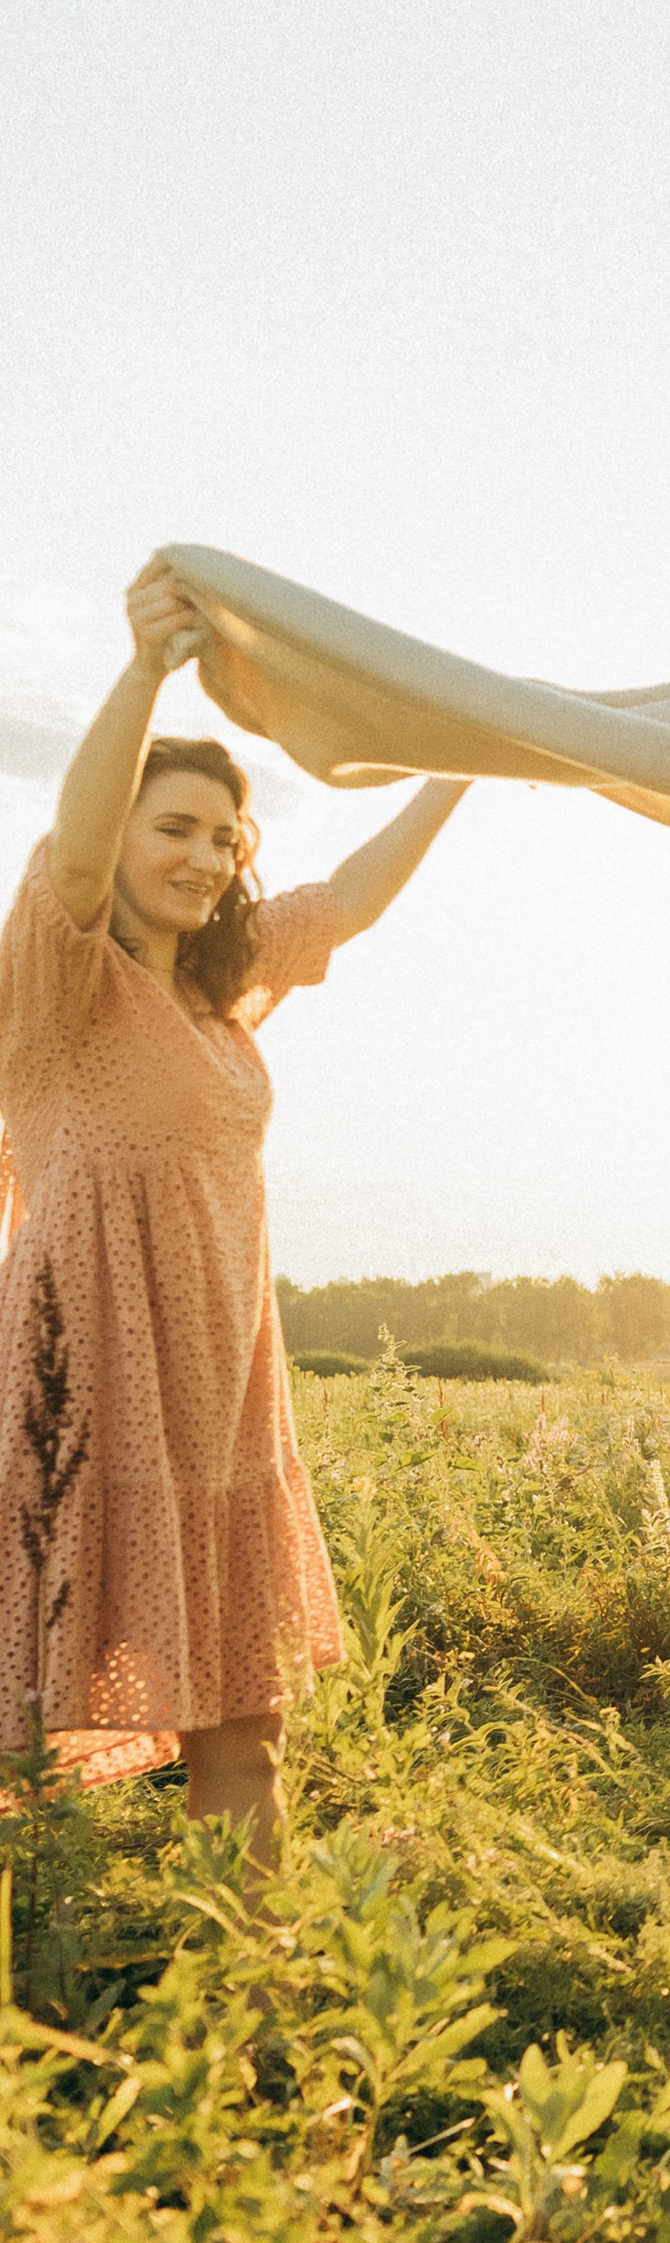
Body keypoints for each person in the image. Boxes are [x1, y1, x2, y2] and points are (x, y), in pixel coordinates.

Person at [0, 556, 469, 1866]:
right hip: (79, 1390)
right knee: (18, 1726)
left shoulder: (225, 988)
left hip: (216, 1395)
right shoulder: (53, 980)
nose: (207, 857)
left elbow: (355, 900)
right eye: (179, 828)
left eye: (229, 840)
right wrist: (145, 671)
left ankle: (249, 2014)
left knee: (243, 1729)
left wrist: (472, 763)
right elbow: (77, 844)